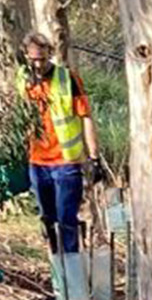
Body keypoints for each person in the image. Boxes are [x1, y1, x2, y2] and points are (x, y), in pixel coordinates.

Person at [20, 32, 97, 254]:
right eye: (33, 59)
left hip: (66, 161)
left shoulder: (67, 79)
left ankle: (71, 271)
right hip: (37, 161)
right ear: (26, 56)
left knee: (66, 219)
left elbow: (86, 116)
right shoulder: (23, 80)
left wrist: (94, 157)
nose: (38, 64)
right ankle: (57, 267)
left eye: (42, 59)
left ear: (50, 55)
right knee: (48, 219)